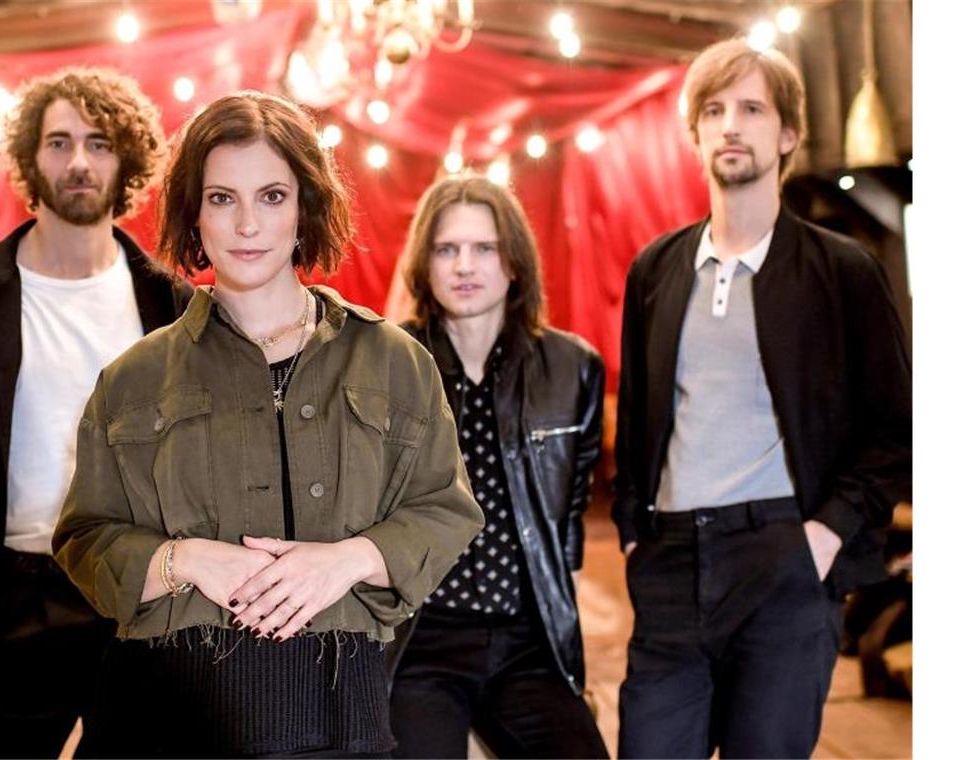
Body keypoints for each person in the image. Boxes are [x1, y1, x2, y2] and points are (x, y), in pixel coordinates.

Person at [52, 91, 484, 759]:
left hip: (342, 714)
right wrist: (185, 559)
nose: (247, 223)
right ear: (194, 213)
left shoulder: (394, 361)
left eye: (273, 196)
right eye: (222, 198)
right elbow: (84, 540)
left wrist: (347, 561)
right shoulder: (133, 378)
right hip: (168, 718)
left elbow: (444, 509)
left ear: (306, 208)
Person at [613, 38, 912, 758]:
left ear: (787, 134)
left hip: (783, 557)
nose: (730, 126)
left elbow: (896, 431)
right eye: (712, 110)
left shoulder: (842, 271)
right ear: (694, 134)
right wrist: (633, 529)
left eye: (751, 108)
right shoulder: (656, 269)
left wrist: (825, 533)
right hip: (672, 563)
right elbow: (641, 416)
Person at [0, 67, 192, 758]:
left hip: (138, 595)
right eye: (59, 142)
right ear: (31, 158)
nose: (78, 162)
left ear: (125, 160)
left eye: (98, 144)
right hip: (16, 596)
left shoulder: (170, 303)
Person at [387, 174, 610, 759]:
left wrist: (567, 650)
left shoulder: (572, 367)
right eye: (447, 249)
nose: (465, 265)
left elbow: (567, 521)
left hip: (524, 639)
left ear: (514, 262)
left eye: (484, 248)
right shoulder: (388, 364)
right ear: (425, 265)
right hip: (421, 637)